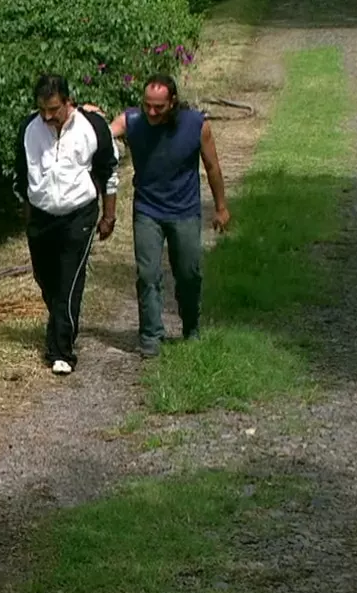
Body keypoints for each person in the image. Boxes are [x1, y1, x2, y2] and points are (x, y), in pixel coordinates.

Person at [91, 73, 230, 358]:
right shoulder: (133, 121)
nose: (151, 112)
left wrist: (221, 207)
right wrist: (85, 115)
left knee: (189, 273)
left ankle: (191, 327)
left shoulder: (196, 125)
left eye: (159, 107)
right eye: (147, 105)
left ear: (173, 102)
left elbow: (212, 167)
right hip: (148, 210)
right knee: (147, 274)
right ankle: (151, 336)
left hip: (185, 210)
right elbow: (101, 134)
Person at [14, 74, 120, 376]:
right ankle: (62, 323)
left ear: (68, 101)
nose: (48, 117)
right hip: (41, 216)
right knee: (46, 279)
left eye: (54, 110)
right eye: (42, 110)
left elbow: (109, 172)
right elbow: (22, 177)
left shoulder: (92, 126)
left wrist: (108, 216)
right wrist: (28, 220)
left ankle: (60, 350)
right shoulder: (28, 129)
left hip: (79, 214)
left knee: (69, 281)